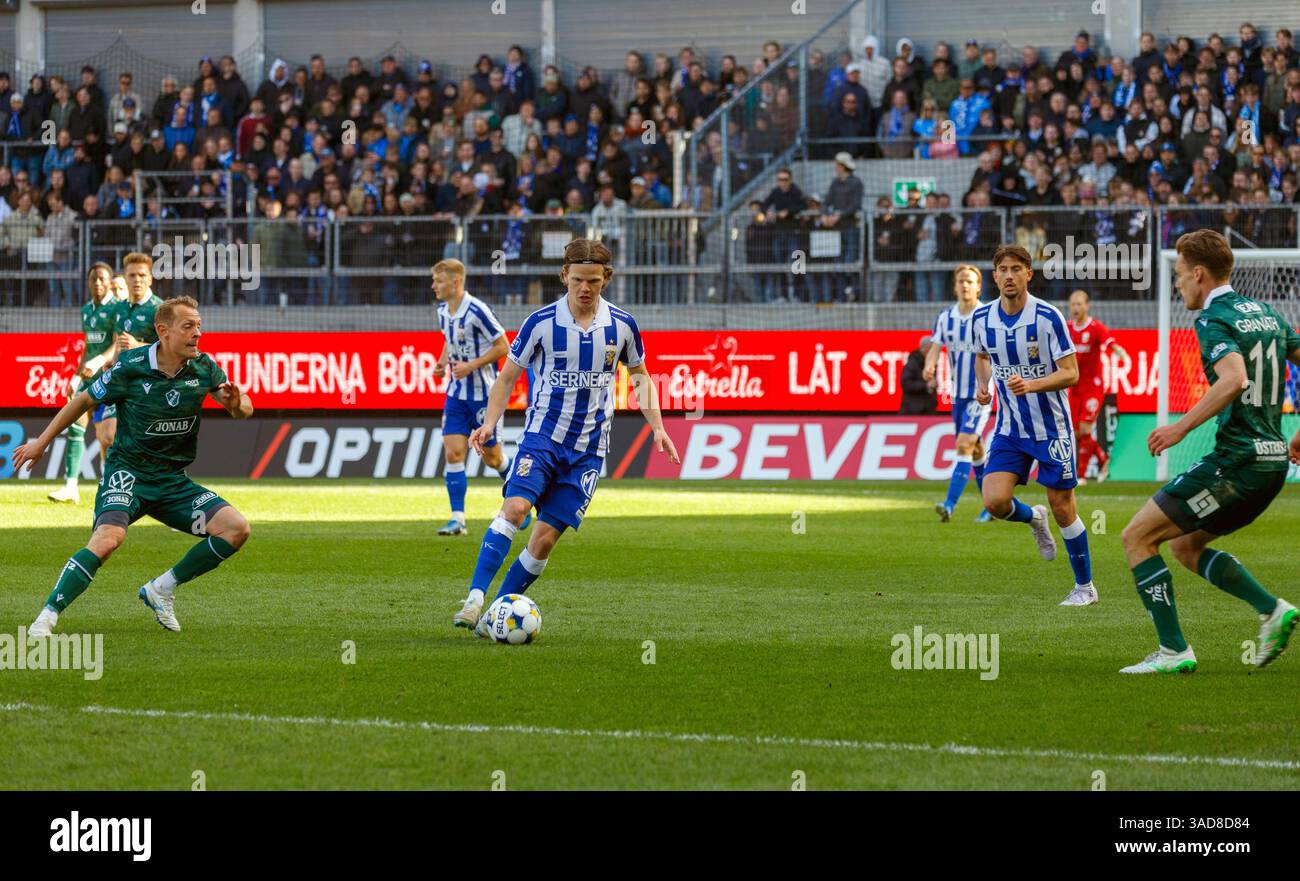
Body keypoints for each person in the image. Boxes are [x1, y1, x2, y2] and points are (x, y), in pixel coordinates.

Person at [451, 238, 679, 631]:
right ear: (564, 276)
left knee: (542, 544)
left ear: (606, 278)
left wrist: (657, 426)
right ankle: (473, 599)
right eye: (577, 280)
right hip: (542, 438)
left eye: (593, 280)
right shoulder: (540, 323)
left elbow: (639, 376)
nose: (585, 288)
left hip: (589, 451)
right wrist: (489, 424)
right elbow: (507, 378)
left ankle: (495, 615)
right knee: (516, 509)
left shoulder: (622, 325)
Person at [13, 296, 254, 637]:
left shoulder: (204, 367)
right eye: (188, 326)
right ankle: (47, 615)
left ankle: (161, 588)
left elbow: (244, 409)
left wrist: (236, 404)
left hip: (173, 482)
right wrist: (42, 441)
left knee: (236, 529)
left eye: (199, 326)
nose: (197, 333)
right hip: (128, 475)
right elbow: (83, 399)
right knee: (108, 539)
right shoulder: (130, 366)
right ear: (163, 331)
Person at [1119, 230, 1300, 674]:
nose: (1178, 284)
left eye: (1180, 276)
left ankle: (1173, 652)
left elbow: (1233, 378)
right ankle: (1272, 611)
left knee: (1136, 538)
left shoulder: (1212, 318)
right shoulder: (1266, 312)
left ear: (1198, 274)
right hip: (1274, 462)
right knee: (1183, 546)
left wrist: (1180, 427)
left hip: (1237, 464)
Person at [972, 245, 1097, 606]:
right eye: (1002, 269)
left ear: (1029, 274)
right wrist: (984, 385)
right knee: (994, 501)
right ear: (994, 276)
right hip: (1010, 428)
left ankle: (1085, 587)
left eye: (1016, 269)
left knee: (1063, 506)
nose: (1009, 275)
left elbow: (1071, 373)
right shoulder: (983, 319)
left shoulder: (1048, 317)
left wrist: (1034, 384)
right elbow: (982, 355)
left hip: (1052, 428)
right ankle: (1033, 519)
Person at [430, 259, 524, 536]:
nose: (433, 286)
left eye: (438, 280)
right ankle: (457, 520)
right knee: (452, 452)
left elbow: (503, 345)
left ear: (456, 282)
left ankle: (519, 501)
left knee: (493, 459)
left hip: (484, 395)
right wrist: (441, 362)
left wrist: (471, 365)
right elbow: (450, 340)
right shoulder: (442, 312)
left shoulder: (478, 310)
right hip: (457, 394)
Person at [923, 264, 992, 523]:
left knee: (963, 444)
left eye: (970, 281)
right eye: (961, 280)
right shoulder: (945, 318)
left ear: (978, 286)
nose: (965, 285)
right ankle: (993, 505)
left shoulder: (987, 315)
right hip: (958, 395)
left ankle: (949, 505)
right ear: (954, 286)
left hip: (981, 393)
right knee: (975, 452)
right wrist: (930, 364)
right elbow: (935, 345)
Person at [48, 263, 118, 504]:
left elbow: (117, 344)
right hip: (88, 377)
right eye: (93, 279)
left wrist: (100, 361)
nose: (97, 283)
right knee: (75, 426)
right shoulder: (86, 310)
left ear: (109, 282)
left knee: (107, 438)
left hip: (110, 377)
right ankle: (70, 487)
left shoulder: (118, 309)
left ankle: (112, 486)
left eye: (102, 279)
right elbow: (87, 346)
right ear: (88, 283)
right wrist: (76, 376)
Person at [1065, 289, 1128, 484]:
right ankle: (1103, 459)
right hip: (1073, 387)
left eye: (1079, 304)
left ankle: (1081, 475)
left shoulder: (1095, 327)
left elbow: (1110, 342)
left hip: (1093, 387)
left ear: (1087, 305)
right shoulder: (1067, 328)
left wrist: (1119, 352)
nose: (1076, 307)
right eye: (1073, 304)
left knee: (1084, 430)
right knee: (1076, 433)